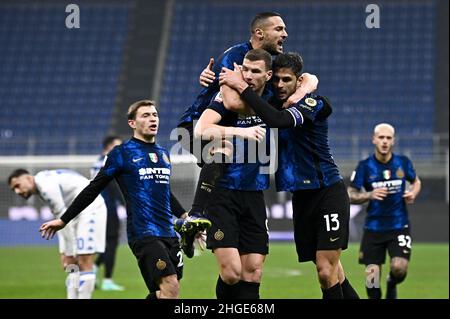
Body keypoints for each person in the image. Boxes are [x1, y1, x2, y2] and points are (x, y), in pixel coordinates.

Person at [175, 12, 318, 258]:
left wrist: (301, 90)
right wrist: (270, 109)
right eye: (279, 29)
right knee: (223, 153)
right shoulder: (234, 56)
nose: (285, 34)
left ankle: (194, 225)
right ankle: (194, 217)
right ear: (260, 33)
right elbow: (230, 101)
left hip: (226, 126)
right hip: (195, 124)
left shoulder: (271, 61)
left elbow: (308, 77)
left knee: (230, 167)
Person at [219, 52, 359, 299]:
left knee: (326, 272)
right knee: (334, 272)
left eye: (287, 80)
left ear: (299, 80)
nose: (280, 85)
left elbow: (279, 120)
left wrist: (242, 86)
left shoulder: (315, 104)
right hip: (301, 197)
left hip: (327, 191)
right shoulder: (272, 102)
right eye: (277, 81)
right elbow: (253, 100)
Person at [39, 100, 192, 299]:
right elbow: (93, 188)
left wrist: (184, 215)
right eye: (145, 115)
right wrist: (64, 219)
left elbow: (164, 193)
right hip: (144, 233)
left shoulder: (163, 154)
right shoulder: (121, 153)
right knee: (170, 287)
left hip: (169, 233)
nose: (152, 119)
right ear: (132, 123)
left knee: (165, 293)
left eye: (154, 115)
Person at [195, 49, 273, 299]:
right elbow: (201, 130)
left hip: (254, 192)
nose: (248, 76)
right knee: (231, 273)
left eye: (256, 71)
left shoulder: (273, 97)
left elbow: (306, 80)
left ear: (268, 75)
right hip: (224, 193)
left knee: (253, 271)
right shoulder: (226, 95)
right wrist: (240, 133)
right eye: (245, 70)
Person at [347, 123, 421, 299]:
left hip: (398, 226)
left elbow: (416, 181)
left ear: (393, 141)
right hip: (373, 229)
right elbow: (350, 194)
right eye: (381, 137)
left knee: (399, 269)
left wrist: (413, 193)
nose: (385, 141)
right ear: (374, 139)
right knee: (372, 280)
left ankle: (391, 282)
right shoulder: (365, 166)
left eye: (388, 138)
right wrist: (370, 194)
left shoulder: (403, 163)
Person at [8, 168, 107, 299]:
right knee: (72, 266)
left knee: (84, 261)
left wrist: (68, 253)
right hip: (77, 214)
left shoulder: (45, 186)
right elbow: (60, 222)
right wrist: (65, 252)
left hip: (91, 209)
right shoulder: (44, 181)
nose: (17, 191)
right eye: (14, 189)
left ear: (28, 178)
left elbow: (61, 222)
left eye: (17, 186)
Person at [90, 135, 125, 291]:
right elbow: (112, 186)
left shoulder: (96, 162)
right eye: (117, 146)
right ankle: (107, 280)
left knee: (105, 244)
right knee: (111, 243)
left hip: (95, 208)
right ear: (108, 147)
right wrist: (127, 203)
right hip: (108, 208)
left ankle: (93, 269)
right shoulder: (109, 161)